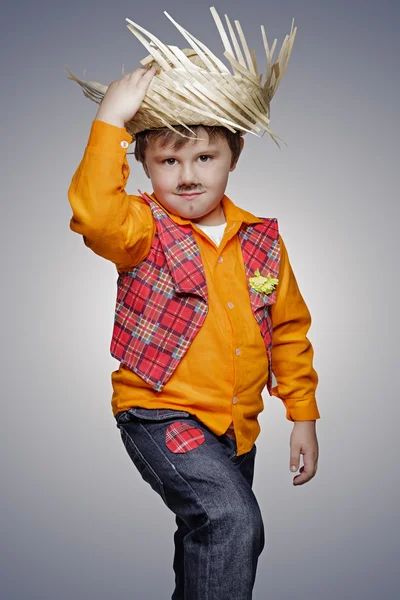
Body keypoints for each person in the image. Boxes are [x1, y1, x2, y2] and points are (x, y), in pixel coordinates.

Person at [67, 9, 320, 599]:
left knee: (210, 538)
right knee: (232, 521)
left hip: (236, 426)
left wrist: (303, 414)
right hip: (161, 412)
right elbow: (92, 216)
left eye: (203, 158)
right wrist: (111, 122)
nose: (186, 175)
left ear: (233, 156)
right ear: (145, 165)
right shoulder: (139, 227)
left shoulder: (261, 239)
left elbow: (288, 329)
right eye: (167, 161)